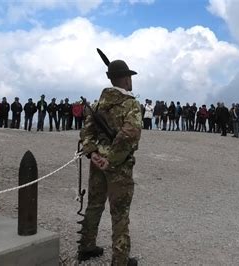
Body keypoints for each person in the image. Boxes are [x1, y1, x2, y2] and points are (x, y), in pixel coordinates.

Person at [78, 54, 141, 266]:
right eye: (129, 77)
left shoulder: (98, 104)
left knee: (94, 204)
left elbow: (86, 132)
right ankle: (120, 261)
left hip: (97, 163)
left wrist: (93, 153)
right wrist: (111, 160)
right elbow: (129, 135)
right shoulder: (130, 104)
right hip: (119, 166)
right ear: (125, 79)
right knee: (120, 212)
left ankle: (86, 246)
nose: (131, 81)